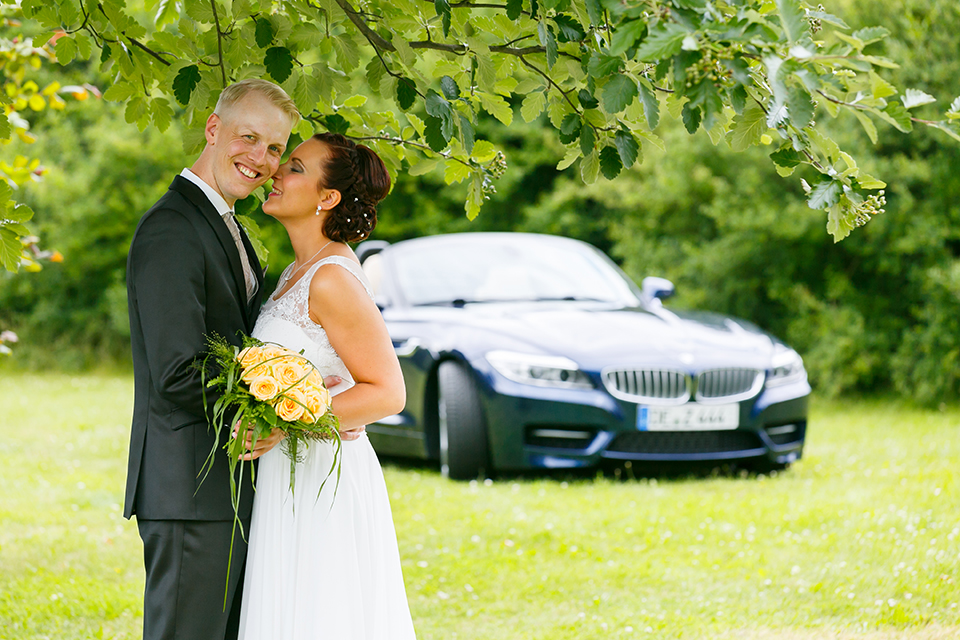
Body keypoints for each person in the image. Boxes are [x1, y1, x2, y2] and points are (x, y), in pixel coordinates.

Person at [124, 79, 301, 640]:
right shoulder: (173, 228)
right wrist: (273, 400)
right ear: (213, 128)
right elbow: (178, 370)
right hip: (189, 487)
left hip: (221, 484)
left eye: (275, 149)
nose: (261, 159)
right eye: (249, 138)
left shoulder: (225, 222)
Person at [237, 133, 416, 639]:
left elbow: (387, 391)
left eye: (294, 167)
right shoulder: (296, 271)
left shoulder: (332, 278)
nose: (275, 172)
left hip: (320, 479)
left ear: (327, 197)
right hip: (286, 475)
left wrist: (287, 423)